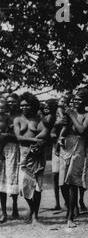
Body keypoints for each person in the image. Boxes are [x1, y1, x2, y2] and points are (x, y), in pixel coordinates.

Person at [58, 88, 88, 228]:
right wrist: (60, 138)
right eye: (75, 99)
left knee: (72, 183)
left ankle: (70, 216)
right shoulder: (69, 112)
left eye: (79, 99)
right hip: (66, 146)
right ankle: (71, 207)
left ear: (85, 102)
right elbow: (64, 128)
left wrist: (72, 115)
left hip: (79, 147)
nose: (76, 101)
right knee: (62, 184)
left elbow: (82, 130)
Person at [13, 92, 48, 224]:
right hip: (23, 154)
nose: (24, 108)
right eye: (22, 105)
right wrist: (35, 140)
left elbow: (45, 133)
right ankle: (33, 210)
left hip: (37, 155)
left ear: (32, 105)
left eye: (27, 105)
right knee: (23, 186)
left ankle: (35, 216)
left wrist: (39, 143)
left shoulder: (38, 120)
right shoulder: (17, 120)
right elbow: (18, 137)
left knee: (37, 187)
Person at [4, 93, 21, 218]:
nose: (11, 104)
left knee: (13, 177)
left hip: (14, 147)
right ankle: (4, 211)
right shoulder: (4, 115)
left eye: (13, 101)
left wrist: (8, 135)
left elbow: (20, 136)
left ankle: (15, 207)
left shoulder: (20, 116)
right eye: (9, 102)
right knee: (2, 179)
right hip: (2, 148)